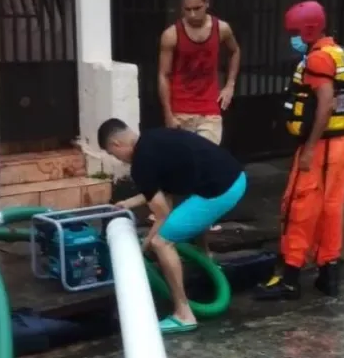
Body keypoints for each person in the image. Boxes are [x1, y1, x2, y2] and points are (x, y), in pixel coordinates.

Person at [98, 118, 247, 333]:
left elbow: (162, 214)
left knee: (162, 242)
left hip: (221, 190)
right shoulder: (153, 138)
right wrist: (129, 203)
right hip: (235, 176)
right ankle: (206, 260)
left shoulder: (141, 163)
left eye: (113, 154)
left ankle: (184, 314)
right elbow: (162, 189)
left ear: (116, 144)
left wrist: (143, 248)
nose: (118, 159)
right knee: (188, 212)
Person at [254, 1, 344, 300]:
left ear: (308, 30)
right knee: (331, 209)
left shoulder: (318, 60)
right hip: (340, 145)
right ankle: (328, 274)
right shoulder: (341, 53)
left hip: (320, 148)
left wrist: (308, 149)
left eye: (294, 32)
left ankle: (290, 278)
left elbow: (325, 104)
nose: (291, 38)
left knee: (299, 208)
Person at [153, 0, 242, 243]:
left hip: (208, 109)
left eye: (197, 8)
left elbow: (235, 52)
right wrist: (168, 114)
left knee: (206, 165)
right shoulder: (171, 34)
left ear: (207, 4)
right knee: (174, 166)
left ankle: (200, 221)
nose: (192, 14)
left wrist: (230, 85)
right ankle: (166, 220)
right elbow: (162, 75)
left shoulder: (221, 29)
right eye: (186, 10)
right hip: (180, 109)